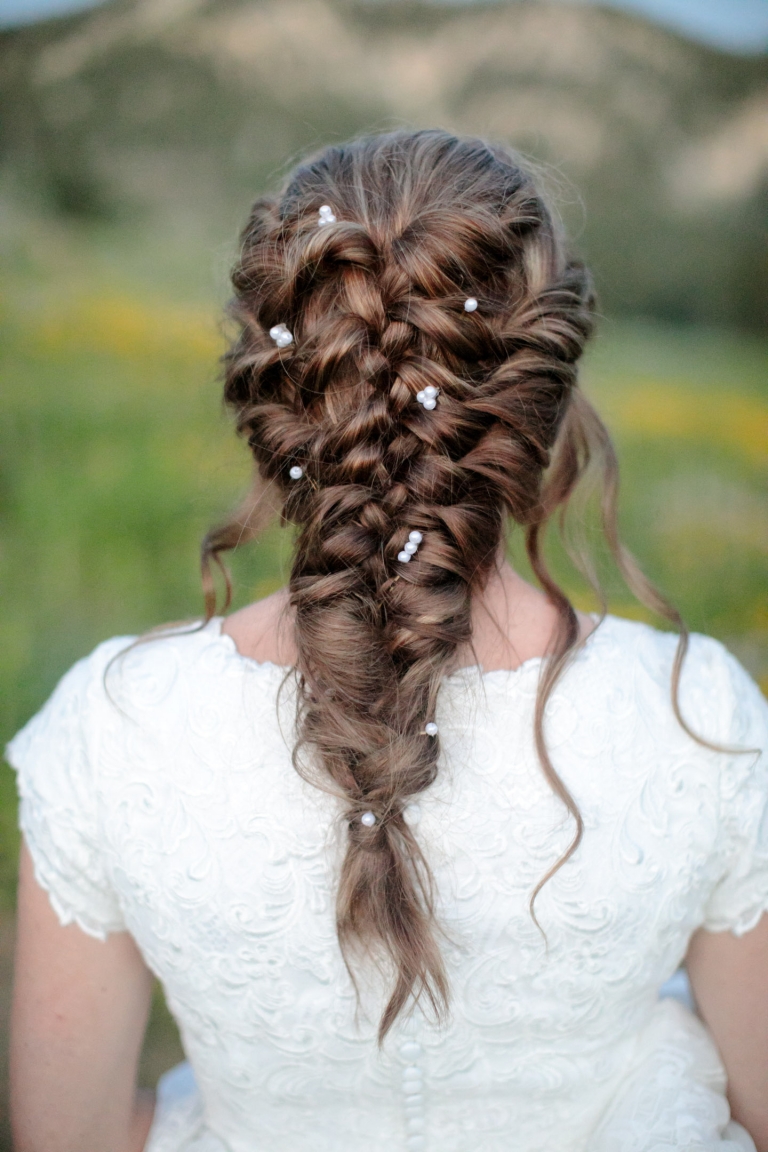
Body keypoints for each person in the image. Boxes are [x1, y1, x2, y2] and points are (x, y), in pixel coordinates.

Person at [6, 130, 768, 1152]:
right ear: (540, 401)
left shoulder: (108, 730)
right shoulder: (701, 716)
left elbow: (70, 1138)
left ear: (277, 394)